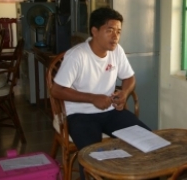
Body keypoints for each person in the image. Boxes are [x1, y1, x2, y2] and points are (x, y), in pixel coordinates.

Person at [50, 7, 151, 180]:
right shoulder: (77, 55)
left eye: (118, 32)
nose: (115, 37)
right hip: (80, 115)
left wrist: (124, 94)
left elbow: (129, 77)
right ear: (94, 31)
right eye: (110, 30)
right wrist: (92, 98)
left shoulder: (117, 50)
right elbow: (56, 90)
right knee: (92, 160)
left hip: (111, 112)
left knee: (148, 143)